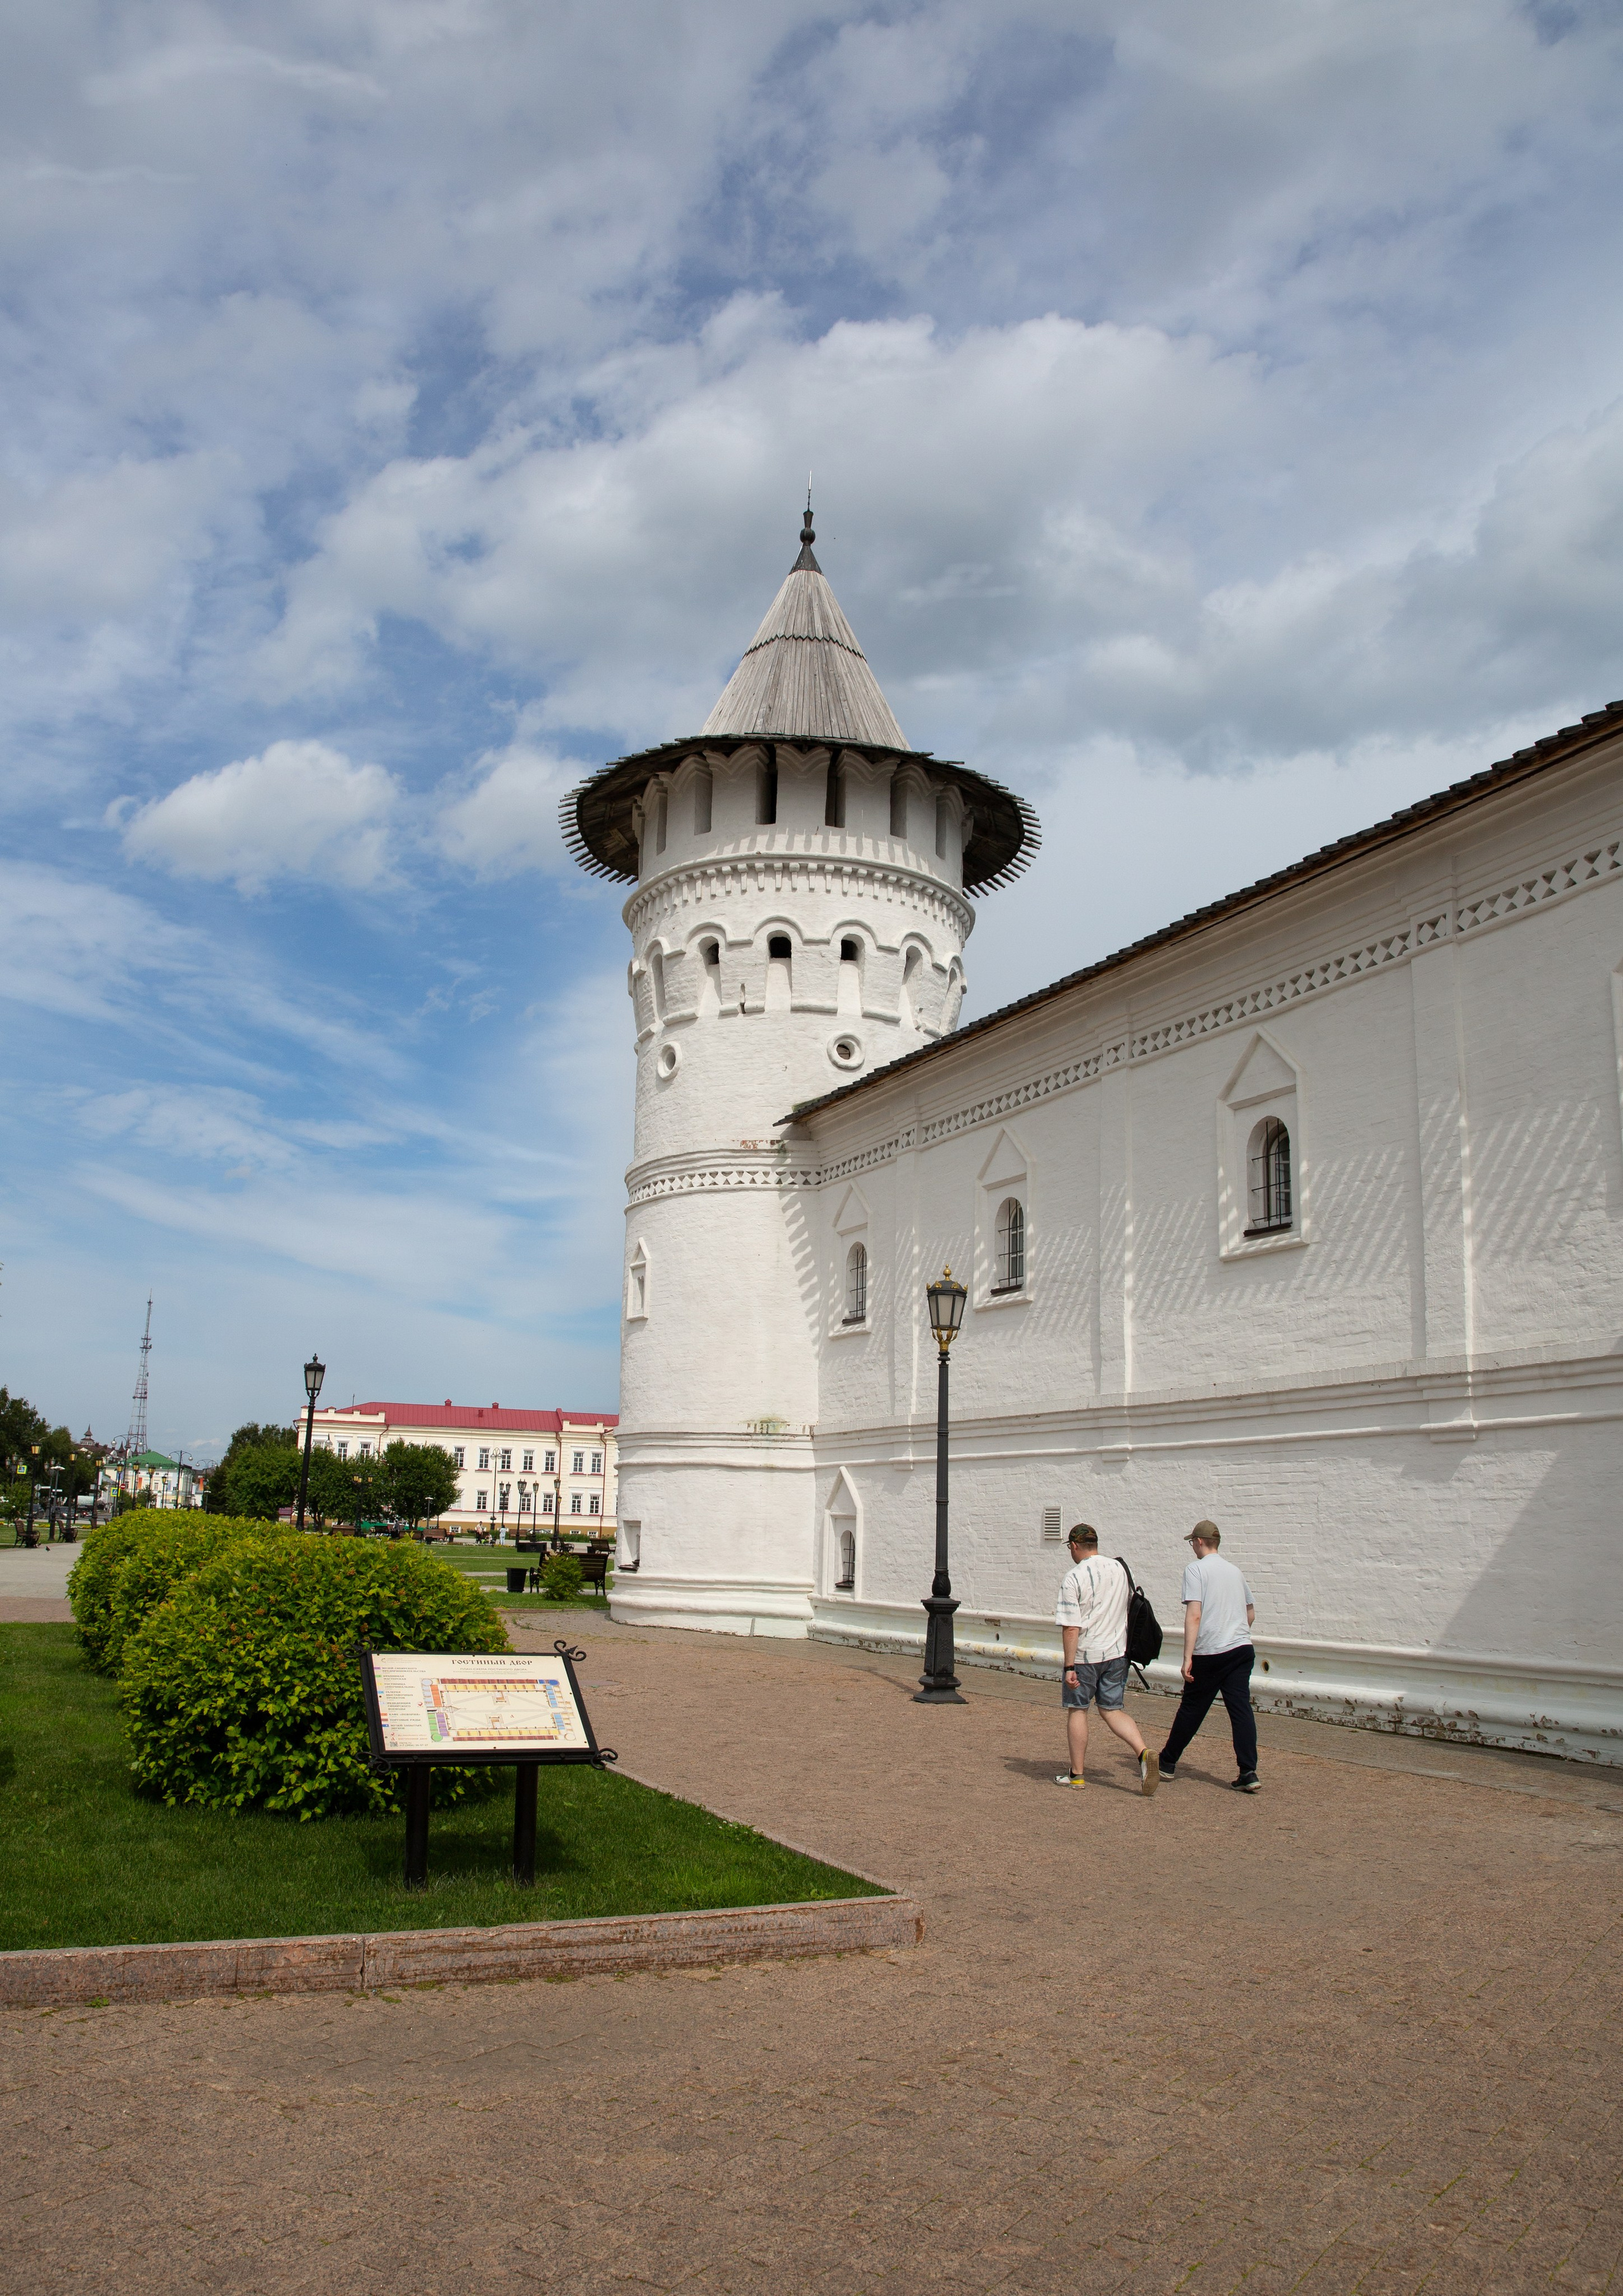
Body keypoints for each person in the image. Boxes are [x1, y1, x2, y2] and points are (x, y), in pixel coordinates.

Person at [1053, 1523, 1158, 1794]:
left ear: (1074, 1546)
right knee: (1112, 1710)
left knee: (1078, 1710)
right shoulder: (1119, 1569)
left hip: (1086, 1655)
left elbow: (1071, 1627)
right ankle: (1143, 1752)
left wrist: (1069, 1666)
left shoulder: (1073, 1577)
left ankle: (1077, 1774)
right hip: (1117, 1654)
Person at [1158, 1521, 1260, 1791]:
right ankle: (1248, 1772)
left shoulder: (1195, 1570)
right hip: (1241, 1649)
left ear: (1200, 1542)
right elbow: (1250, 1613)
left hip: (1211, 1651)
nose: (1193, 1546)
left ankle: (1167, 1763)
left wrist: (1187, 1656)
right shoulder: (1235, 1571)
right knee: (1240, 1710)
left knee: (1192, 1708)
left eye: (1193, 1542)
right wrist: (1234, 1633)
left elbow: (1194, 1613)